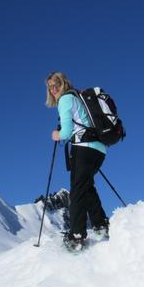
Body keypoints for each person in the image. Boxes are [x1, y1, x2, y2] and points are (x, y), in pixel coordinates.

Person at [46, 72, 109, 250]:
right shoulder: (77, 97)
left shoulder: (66, 100)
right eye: (50, 87)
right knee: (86, 186)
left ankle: (76, 235)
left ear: (63, 83)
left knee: (78, 190)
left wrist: (57, 134)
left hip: (84, 148)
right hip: (98, 149)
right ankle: (100, 225)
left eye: (56, 84)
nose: (53, 89)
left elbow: (65, 132)